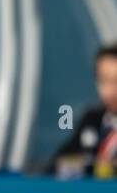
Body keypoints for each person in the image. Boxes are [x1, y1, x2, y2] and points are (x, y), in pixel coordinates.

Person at [50, 43, 117, 178]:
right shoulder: (92, 120)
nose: (111, 90)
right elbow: (56, 165)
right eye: (104, 80)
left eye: (116, 81)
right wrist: (90, 166)